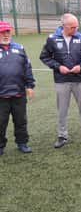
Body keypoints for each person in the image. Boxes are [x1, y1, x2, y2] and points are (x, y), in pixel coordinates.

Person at [39, 13, 81, 148]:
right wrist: (58, 67)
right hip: (61, 80)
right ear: (63, 26)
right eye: (72, 27)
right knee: (62, 110)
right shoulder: (52, 39)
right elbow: (44, 57)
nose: (75, 29)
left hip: (80, 79)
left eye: (76, 26)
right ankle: (62, 136)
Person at [0, 21, 35, 155]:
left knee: (21, 121)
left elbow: (27, 68)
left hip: (19, 93)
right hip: (1, 96)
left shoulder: (19, 48)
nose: (6, 35)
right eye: (3, 32)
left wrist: (30, 85)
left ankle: (22, 143)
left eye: (7, 32)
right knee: (1, 123)